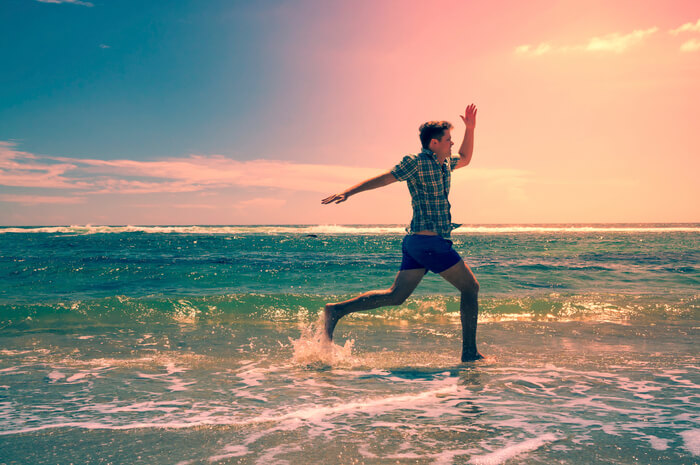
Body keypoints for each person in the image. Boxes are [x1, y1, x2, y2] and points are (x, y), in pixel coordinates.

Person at [321, 104, 484, 362]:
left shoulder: (444, 165)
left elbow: (465, 157)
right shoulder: (416, 163)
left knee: (395, 296)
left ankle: (336, 310)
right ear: (434, 143)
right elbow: (385, 178)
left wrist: (470, 129)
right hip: (428, 243)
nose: (452, 144)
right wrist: (349, 192)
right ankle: (469, 353)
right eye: (448, 140)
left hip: (416, 243)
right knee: (470, 288)